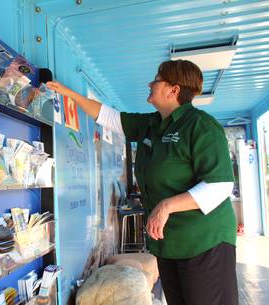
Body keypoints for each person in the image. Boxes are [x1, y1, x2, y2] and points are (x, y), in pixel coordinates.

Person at [47, 59, 238, 305]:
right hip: (168, 243)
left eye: (157, 79)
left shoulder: (201, 126)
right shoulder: (152, 124)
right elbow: (109, 117)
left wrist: (167, 206)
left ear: (174, 89)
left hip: (204, 242)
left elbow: (220, 185)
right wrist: (69, 94)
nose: (150, 83)